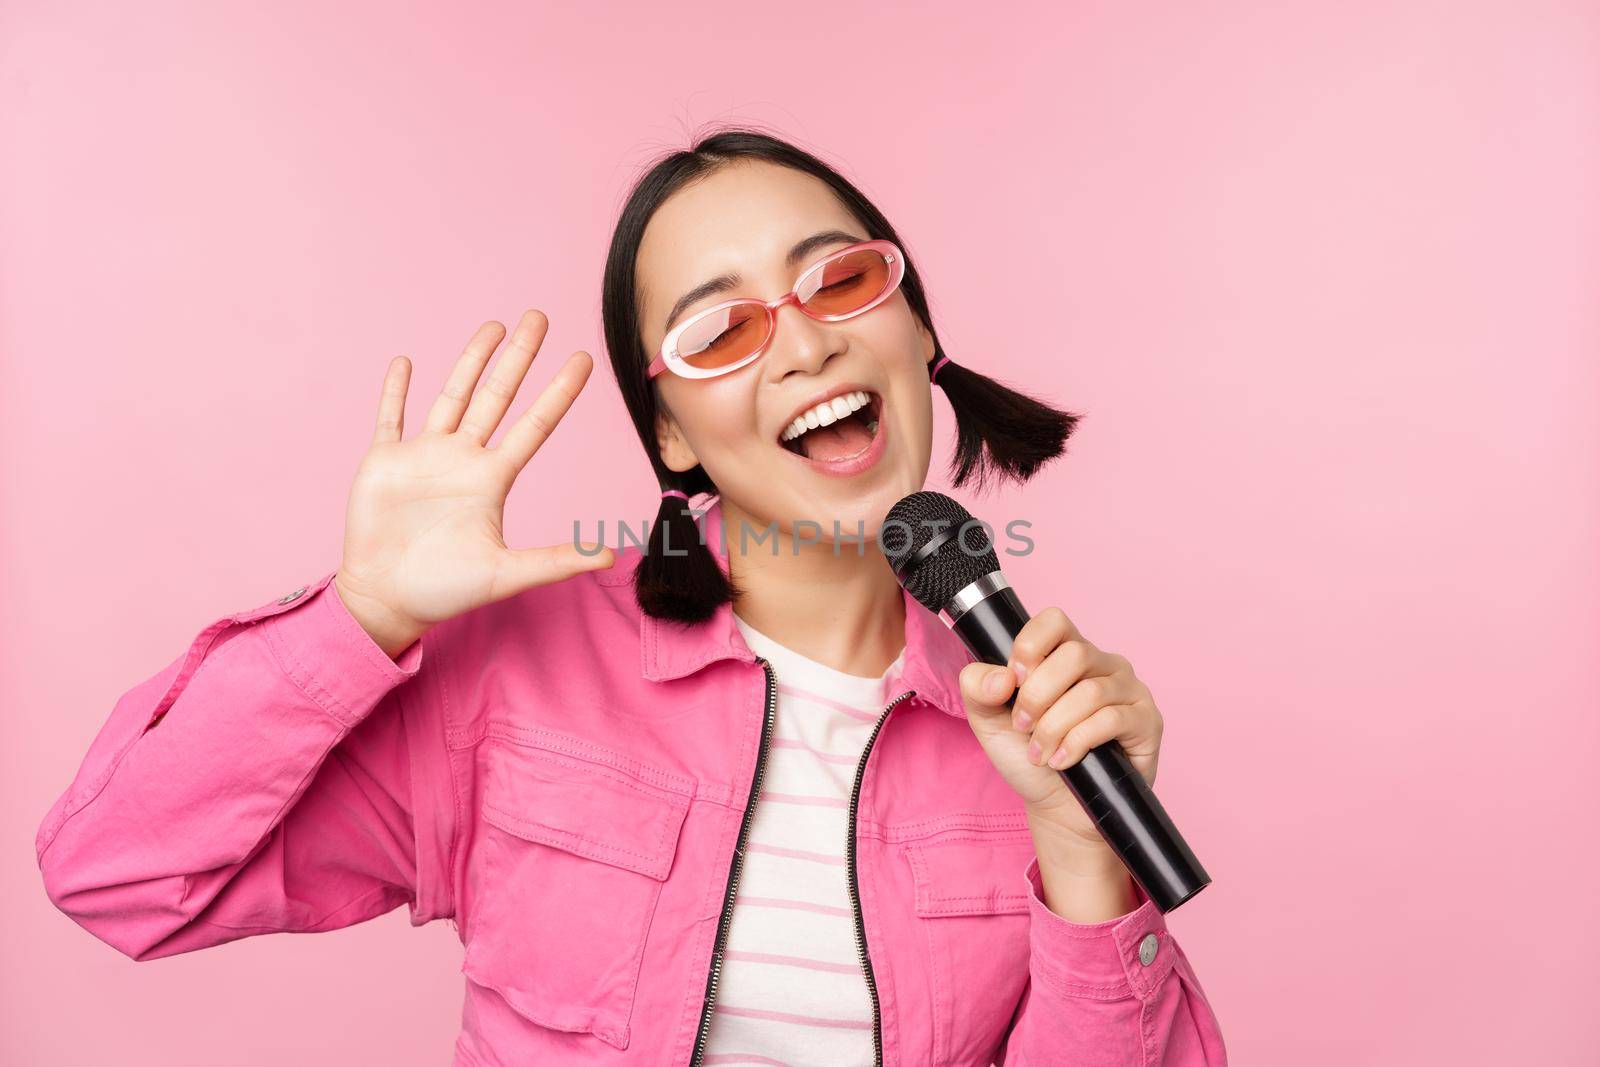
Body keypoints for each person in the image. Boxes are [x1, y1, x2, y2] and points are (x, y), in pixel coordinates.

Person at [36, 127, 1227, 1066]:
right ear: (671, 430)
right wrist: (362, 617)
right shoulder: (517, 670)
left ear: (916, 329)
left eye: (841, 280)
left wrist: (1080, 851)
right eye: (721, 328)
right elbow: (118, 874)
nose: (804, 345)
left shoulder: (1033, 717)